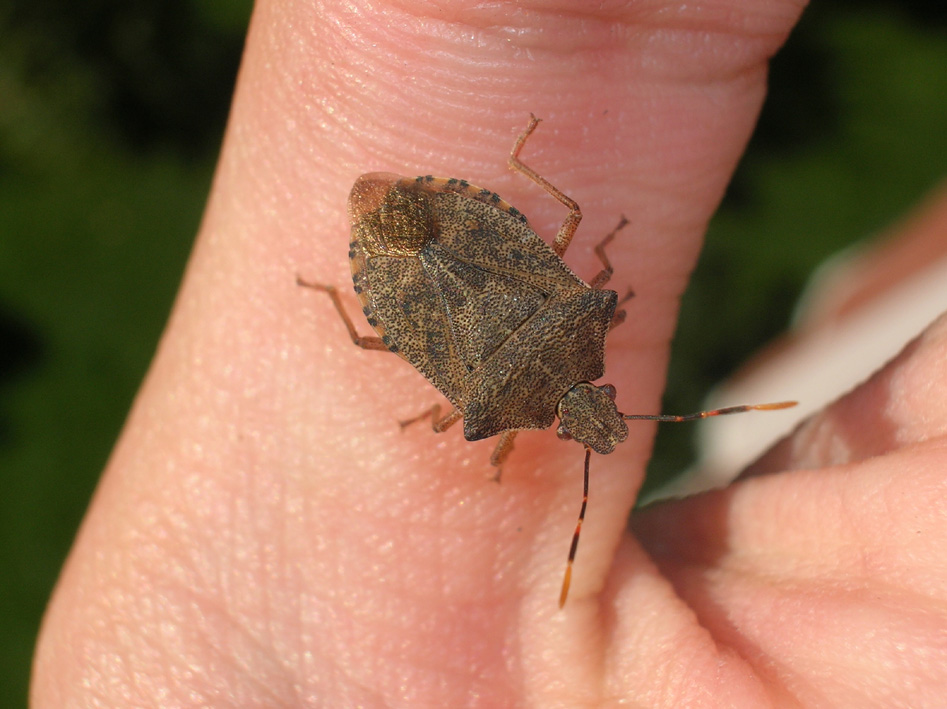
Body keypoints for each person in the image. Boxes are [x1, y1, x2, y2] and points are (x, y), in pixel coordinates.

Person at [32, 0, 947, 705]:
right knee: (369, 324)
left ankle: (513, 162)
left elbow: (594, 276)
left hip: (461, 251)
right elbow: (414, 350)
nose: (600, 428)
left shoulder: (584, 323)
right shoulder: (499, 406)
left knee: (587, 233)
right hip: (430, 288)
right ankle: (370, 262)